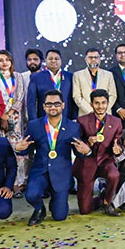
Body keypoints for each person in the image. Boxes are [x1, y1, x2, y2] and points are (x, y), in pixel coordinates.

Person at [14, 90, 91, 225]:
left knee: (59, 216)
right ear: (44, 106)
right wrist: (18, 149)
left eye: (56, 104)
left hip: (61, 174)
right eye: (49, 104)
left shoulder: (73, 127)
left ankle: (55, 203)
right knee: (31, 194)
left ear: (63, 105)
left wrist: (86, 151)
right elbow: (26, 149)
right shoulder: (34, 125)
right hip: (40, 171)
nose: (53, 107)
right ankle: (39, 209)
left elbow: (78, 152)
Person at [73, 89, 123, 216]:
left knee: (114, 175)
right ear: (91, 104)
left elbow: (118, 143)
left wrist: (118, 149)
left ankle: (107, 202)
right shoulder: (82, 120)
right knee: (85, 210)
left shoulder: (116, 122)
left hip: (105, 160)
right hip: (87, 162)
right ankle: (101, 198)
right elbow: (77, 143)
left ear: (108, 103)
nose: (100, 106)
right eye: (97, 103)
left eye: (103, 103)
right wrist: (88, 143)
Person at [0, 50, 29, 196]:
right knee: (3, 150)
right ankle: (6, 183)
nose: (4, 62)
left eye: (7, 59)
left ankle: (19, 183)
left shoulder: (18, 76)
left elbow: (20, 97)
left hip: (16, 117)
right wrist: (2, 116)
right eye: (1, 60)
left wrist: (9, 114)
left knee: (18, 150)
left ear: (11, 61)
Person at [27, 49, 75, 121]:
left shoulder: (70, 76)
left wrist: (74, 118)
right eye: (50, 58)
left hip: (66, 118)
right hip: (44, 119)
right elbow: (31, 103)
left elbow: (74, 100)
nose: (53, 61)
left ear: (61, 60)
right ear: (45, 60)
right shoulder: (36, 77)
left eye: (56, 58)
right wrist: (33, 122)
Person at [73, 47, 117, 116]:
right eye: (90, 57)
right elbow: (77, 96)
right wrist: (92, 111)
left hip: (105, 114)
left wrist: (102, 109)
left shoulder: (108, 75)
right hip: (85, 114)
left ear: (99, 59)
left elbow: (113, 95)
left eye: (96, 57)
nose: (93, 59)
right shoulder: (77, 75)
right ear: (86, 59)